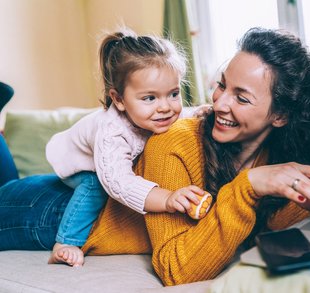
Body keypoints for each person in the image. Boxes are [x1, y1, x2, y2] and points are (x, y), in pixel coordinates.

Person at [0, 27, 310, 285]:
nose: (218, 101)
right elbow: (176, 268)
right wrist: (246, 188)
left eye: (241, 96)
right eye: (222, 84)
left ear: (280, 116)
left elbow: (267, 232)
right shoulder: (172, 139)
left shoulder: (269, 154)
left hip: (53, 201)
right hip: (46, 212)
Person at [44, 28, 207, 267]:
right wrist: (167, 198)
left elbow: (182, 114)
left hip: (101, 155)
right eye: (150, 98)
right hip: (77, 163)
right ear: (118, 99)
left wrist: (200, 112)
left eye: (173, 93)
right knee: (95, 186)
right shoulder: (113, 132)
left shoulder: (160, 113)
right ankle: (66, 241)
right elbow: (119, 184)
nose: (166, 107)